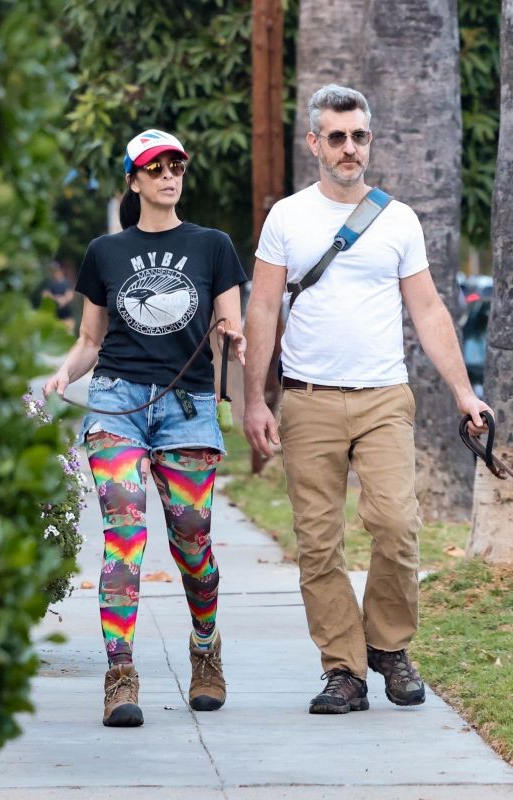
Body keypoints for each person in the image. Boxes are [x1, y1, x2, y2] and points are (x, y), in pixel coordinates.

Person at [243, 84, 492, 715]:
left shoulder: (399, 219)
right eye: (337, 137)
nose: (349, 148)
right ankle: (343, 670)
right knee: (320, 541)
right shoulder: (287, 218)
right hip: (308, 399)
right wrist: (254, 402)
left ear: (369, 141)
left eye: (359, 136)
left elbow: (429, 309)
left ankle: (388, 647)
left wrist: (466, 393)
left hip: (384, 396)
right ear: (314, 144)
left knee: (396, 526)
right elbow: (264, 307)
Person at [44, 128, 247, 727]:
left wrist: (233, 337)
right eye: (154, 167)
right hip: (116, 404)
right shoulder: (105, 252)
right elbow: (90, 339)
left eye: (176, 165)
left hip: (186, 406)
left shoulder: (213, 245)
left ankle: (205, 648)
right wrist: (61, 377)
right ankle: (120, 674)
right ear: (133, 181)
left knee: (192, 539)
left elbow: (229, 320)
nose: (168, 175)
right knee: (125, 531)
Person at [42, 260, 76, 334]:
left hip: (67, 317)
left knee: (68, 336)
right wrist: (58, 299)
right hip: (53, 317)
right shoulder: (50, 283)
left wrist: (60, 299)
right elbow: (45, 295)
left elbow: (69, 296)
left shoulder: (67, 283)